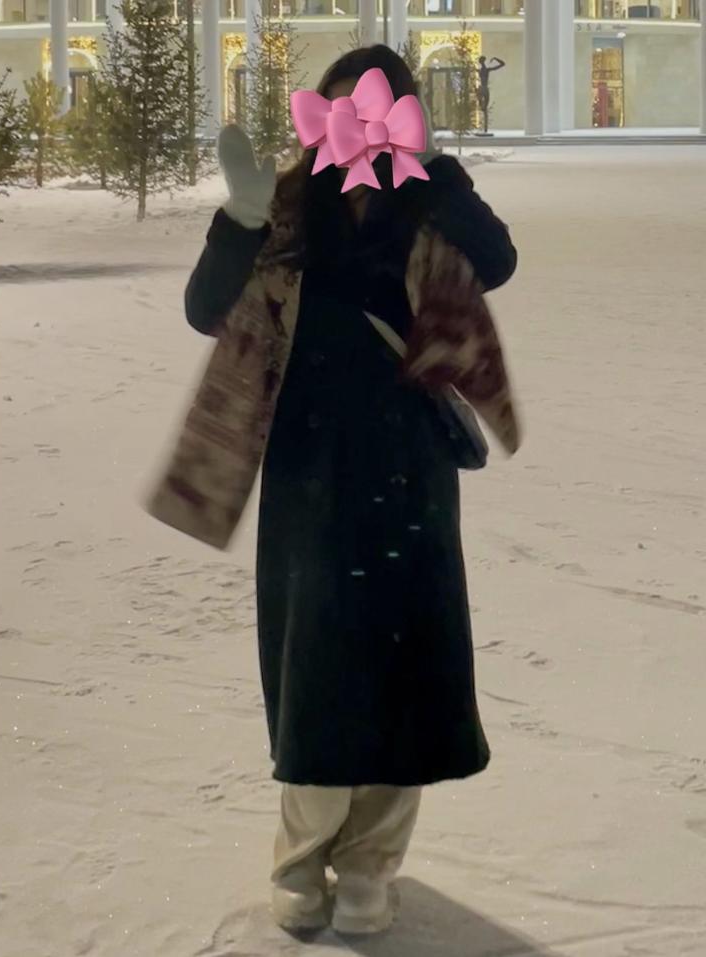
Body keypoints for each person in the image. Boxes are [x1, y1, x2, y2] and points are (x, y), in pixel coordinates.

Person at [184, 45, 517, 937]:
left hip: (411, 466)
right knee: (318, 667)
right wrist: (240, 216)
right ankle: (302, 861)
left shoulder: (424, 200)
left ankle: (371, 864)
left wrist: (433, 170)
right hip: (309, 470)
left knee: (409, 668)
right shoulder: (291, 205)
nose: (353, 127)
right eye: (337, 110)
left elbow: (497, 260)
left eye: (371, 111)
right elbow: (205, 307)